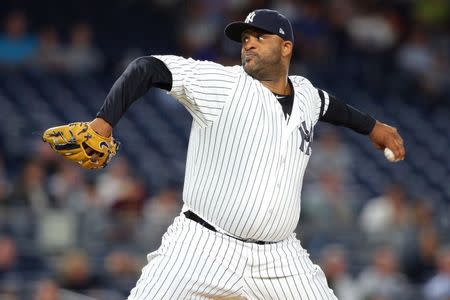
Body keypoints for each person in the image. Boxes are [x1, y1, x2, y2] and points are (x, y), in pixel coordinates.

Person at [44, 9, 405, 299]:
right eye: (245, 39)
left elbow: (332, 107)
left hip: (281, 257)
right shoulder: (223, 83)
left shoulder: (307, 94)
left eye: (259, 37)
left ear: (286, 48)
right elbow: (147, 67)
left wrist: (375, 128)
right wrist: (103, 123)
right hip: (202, 245)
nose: (248, 44)